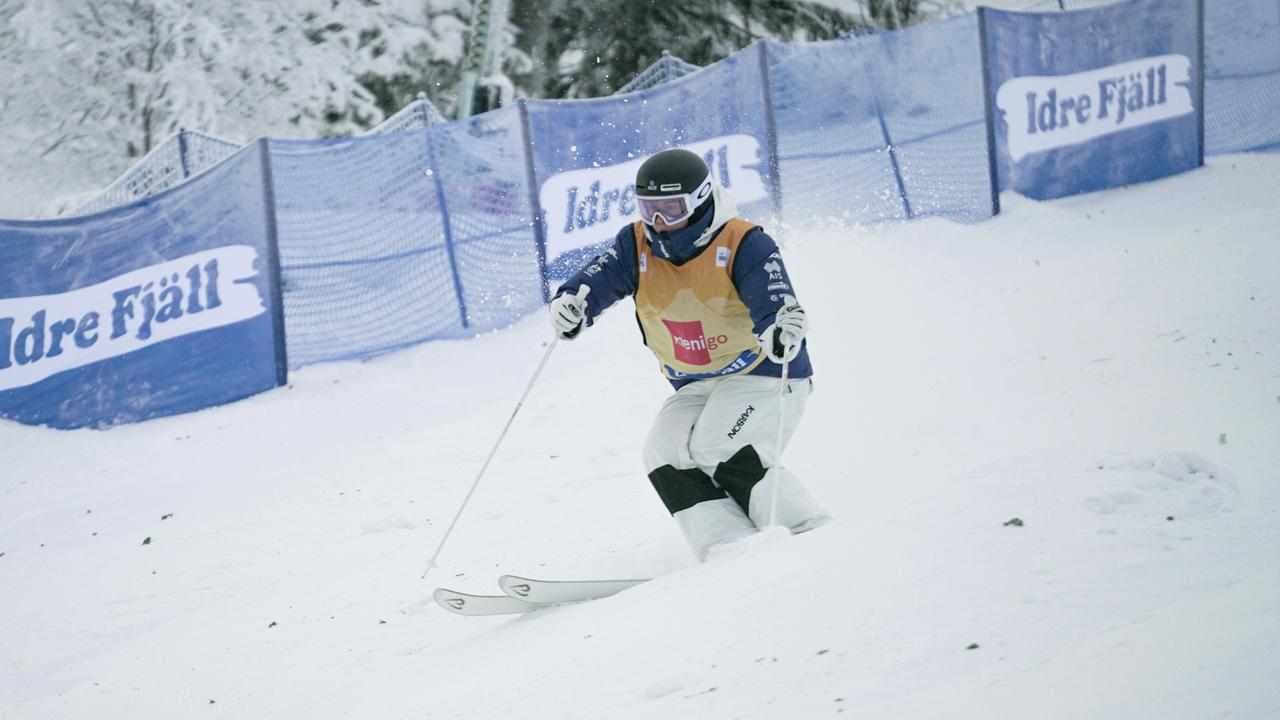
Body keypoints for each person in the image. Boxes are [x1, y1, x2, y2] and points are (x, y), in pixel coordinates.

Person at [548, 148, 830, 560]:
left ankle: (807, 526)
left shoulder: (743, 242)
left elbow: (775, 303)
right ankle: (727, 543)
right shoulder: (636, 244)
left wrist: (780, 328)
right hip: (699, 384)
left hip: (764, 374)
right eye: (650, 209)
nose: (658, 221)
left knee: (718, 444)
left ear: (699, 200)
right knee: (664, 451)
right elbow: (596, 280)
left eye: (670, 209)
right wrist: (572, 304)